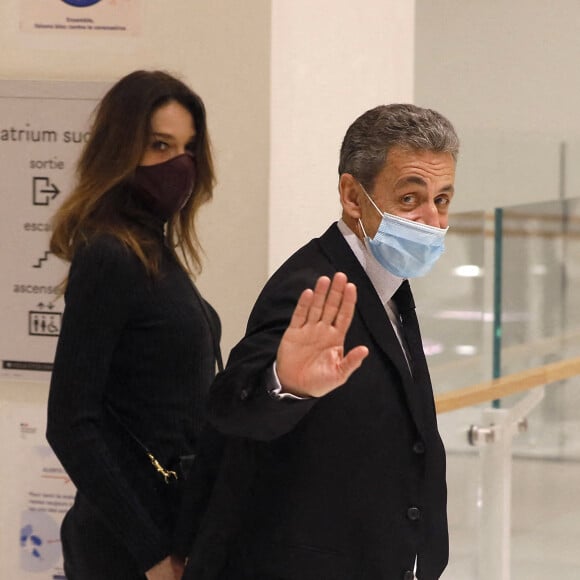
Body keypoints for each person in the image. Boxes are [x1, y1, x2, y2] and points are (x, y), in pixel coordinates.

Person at [184, 104, 458, 580]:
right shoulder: (313, 287)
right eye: (410, 199)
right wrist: (284, 383)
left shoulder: (388, 283)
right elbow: (229, 408)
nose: (432, 220)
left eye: (443, 199)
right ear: (353, 196)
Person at [46, 70, 220, 580]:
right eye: (159, 145)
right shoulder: (110, 255)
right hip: (127, 548)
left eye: (187, 149)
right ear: (121, 149)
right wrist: (152, 556)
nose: (178, 165)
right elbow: (70, 421)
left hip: (169, 528)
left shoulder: (152, 249)